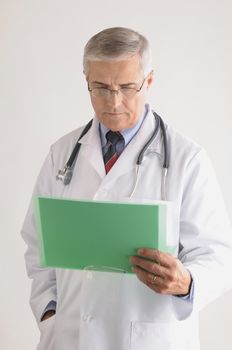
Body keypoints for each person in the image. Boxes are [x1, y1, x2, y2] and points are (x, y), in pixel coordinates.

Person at [21, 27, 232, 350]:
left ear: (148, 81)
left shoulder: (187, 159)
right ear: (86, 82)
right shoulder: (62, 154)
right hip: (69, 337)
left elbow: (217, 255)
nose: (114, 101)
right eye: (101, 88)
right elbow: (38, 245)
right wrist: (50, 313)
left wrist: (186, 282)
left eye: (127, 87)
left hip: (150, 339)